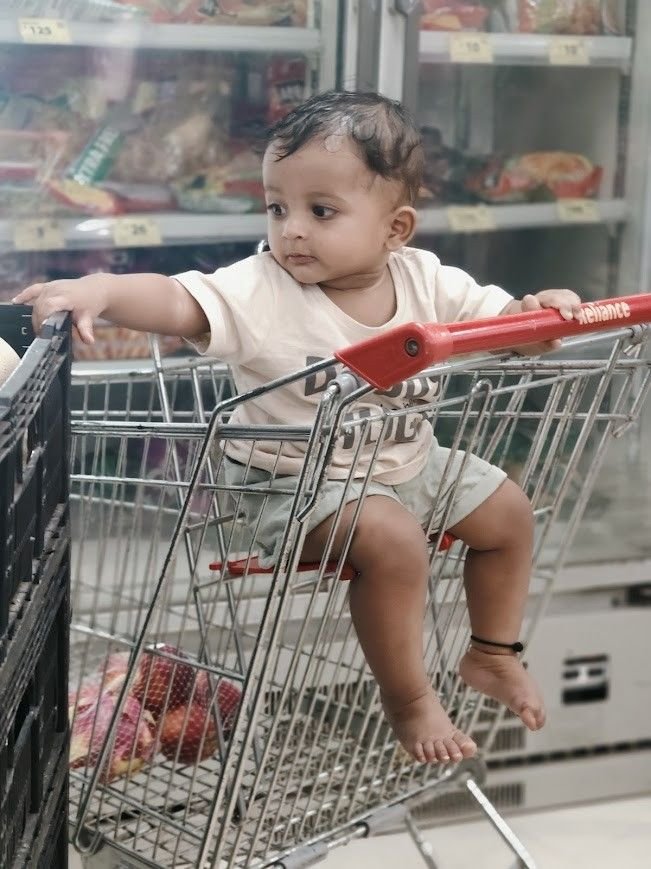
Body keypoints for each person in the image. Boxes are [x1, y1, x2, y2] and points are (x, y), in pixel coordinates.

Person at [15, 90, 581, 765]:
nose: (292, 230)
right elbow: (179, 297)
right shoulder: (264, 286)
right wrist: (102, 289)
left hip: (406, 465)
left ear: (395, 229)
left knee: (509, 511)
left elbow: (505, 324)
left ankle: (492, 651)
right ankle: (407, 699)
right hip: (288, 483)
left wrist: (543, 314)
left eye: (321, 211)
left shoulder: (430, 281)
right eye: (276, 207)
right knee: (395, 540)